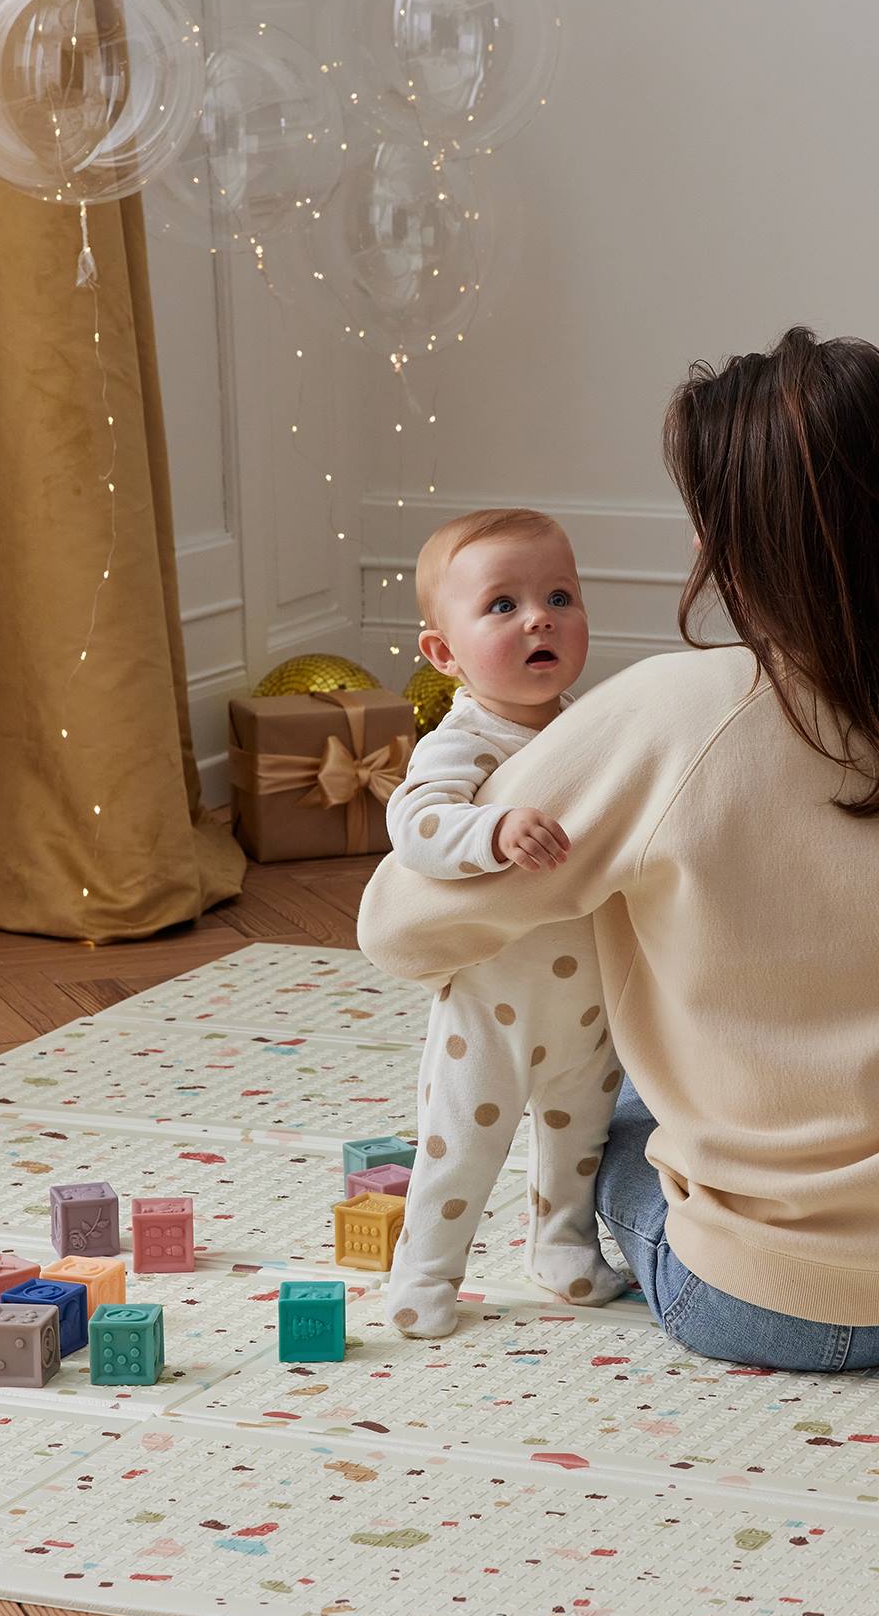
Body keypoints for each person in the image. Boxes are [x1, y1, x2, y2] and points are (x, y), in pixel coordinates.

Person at [356, 326, 879, 1371]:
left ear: (727, 540)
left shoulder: (676, 715)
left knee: (610, 1105)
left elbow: (400, 929)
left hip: (770, 1295)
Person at [382, 506, 627, 1339]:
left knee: (579, 1140)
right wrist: (492, 830)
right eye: (503, 605)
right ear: (444, 654)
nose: (539, 618)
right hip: (492, 1002)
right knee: (460, 1149)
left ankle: (561, 1248)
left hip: (588, 998)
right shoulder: (466, 738)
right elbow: (414, 826)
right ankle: (425, 1272)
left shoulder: (586, 726)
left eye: (561, 595)